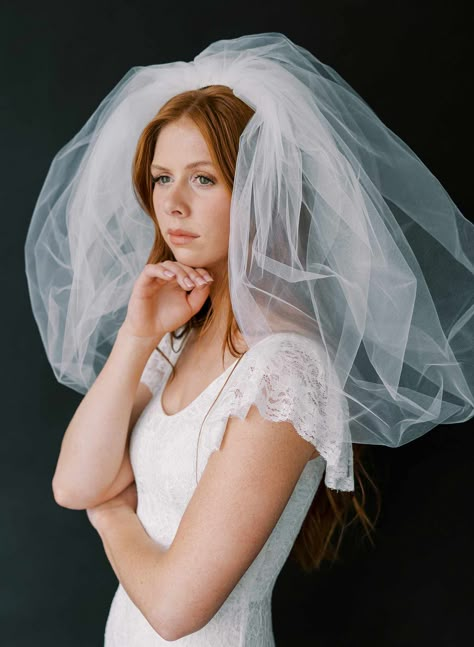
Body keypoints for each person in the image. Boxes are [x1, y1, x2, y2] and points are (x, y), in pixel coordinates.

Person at [24, 33, 474, 646]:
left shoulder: (286, 370)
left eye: (204, 179)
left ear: (260, 191)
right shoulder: (179, 336)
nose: (173, 205)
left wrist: (109, 514)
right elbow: (72, 483)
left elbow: (176, 609)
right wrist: (136, 336)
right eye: (161, 178)